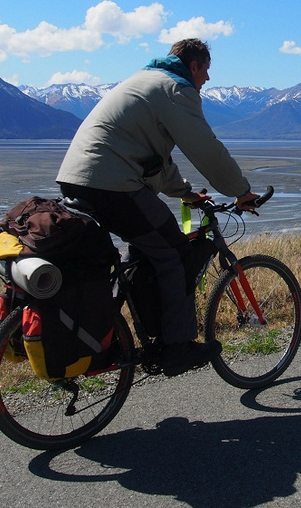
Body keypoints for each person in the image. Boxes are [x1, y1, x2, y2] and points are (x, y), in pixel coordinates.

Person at [56, 38, 259, 376]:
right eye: (206, 70)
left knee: (145, 246)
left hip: (78, 179)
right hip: (111, 185)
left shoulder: (142, 81)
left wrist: (185, 192)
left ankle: (116, 327)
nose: (207, 79)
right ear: (193, 66)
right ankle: (176, 346)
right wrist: (241, 191)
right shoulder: (174, 89)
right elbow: (205, 148)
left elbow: (153, 161)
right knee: (174, 250)